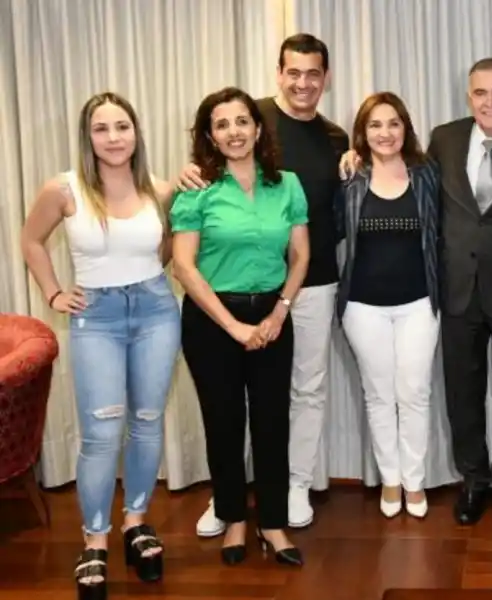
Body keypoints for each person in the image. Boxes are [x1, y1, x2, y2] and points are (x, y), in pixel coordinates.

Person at [341, 58, 492, 524]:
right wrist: (356, 156)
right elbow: (403, 177)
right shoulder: (445, 140)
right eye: (480, 93)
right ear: (468, 97)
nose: (490, 102)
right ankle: (473, 480)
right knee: (462, 393)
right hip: (456, 291)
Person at [177, 34, 348, 535]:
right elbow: (186, 257)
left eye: (313, 73)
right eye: (293, 72)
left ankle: (290, 489)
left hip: (303, 286)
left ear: (326, 78)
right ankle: (229, 501)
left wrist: (281, 307)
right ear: (278, 74)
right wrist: (188, 172)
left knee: (300, 394)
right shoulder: (241, 130)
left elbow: (319, 227)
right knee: (225, 408)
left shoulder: (335, 138)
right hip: (227, 302)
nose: (303, 82)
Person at [20, 92, 181, 598]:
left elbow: (165, 249)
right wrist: (53, 292)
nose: (114, 138)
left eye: (122, 127)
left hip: (156, 310)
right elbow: (30, 240)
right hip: (97, 318)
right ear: (87, 136)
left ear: (137, 132)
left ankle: (135, 521)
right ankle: (95, 538)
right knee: (101, 432)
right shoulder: (65, 189)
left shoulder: (158, 189)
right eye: (101, 128)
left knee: (148, 422)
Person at [170, 86, 309, 567]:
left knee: (272, 422)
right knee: (224, 422)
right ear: (210, 134)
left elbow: (301, 255)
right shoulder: (197, 188)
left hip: (273, 315)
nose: (234, 132)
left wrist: (279, 312)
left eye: (241, 121)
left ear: (256, 127)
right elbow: (184, 266)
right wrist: (232, 326)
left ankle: (272, 522)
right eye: (222, 124)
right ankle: (233, 518)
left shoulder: (286, 183)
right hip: (212, 321)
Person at [337, 92, 441, 519]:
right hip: (363, 307)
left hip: (420, 302)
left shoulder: (427, 175)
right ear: (363, 132)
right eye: (375, 125)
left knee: (414, 392)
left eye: (393, 123)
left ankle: (415, 481)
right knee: (379, 395)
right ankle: (391, 480)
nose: (385, 133)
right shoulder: (350, 178)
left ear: (405, 128)